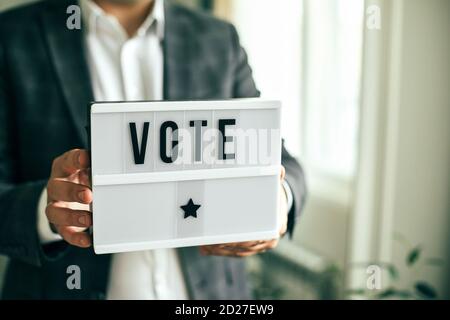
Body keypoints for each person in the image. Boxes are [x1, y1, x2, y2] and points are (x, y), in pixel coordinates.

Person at [0, 0, 306, 299]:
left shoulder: (217, 38)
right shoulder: (12, 36)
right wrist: (48, 209)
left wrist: (279, 199)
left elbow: (280, 161)